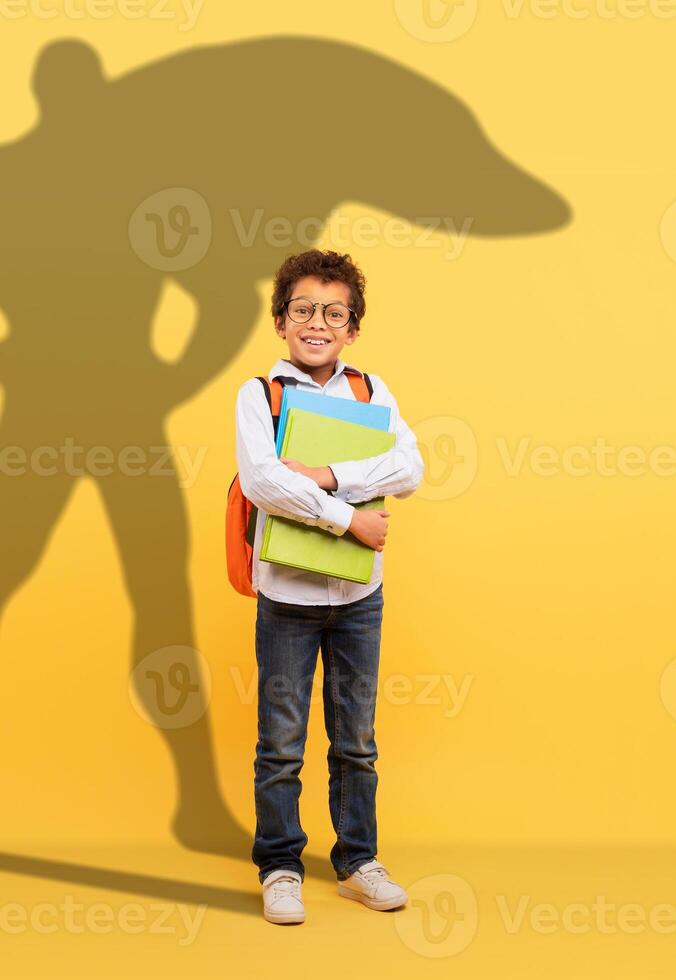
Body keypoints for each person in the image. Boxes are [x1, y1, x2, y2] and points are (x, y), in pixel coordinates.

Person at [233, 249, 425, 925]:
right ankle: (279, 864)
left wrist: (320, 476)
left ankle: (357, 861)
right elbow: (262, 482)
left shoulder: (372, 393)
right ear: (281, 320)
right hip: (287, 597)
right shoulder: (261, 395)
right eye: (304, 310)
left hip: (357, 600)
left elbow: (408, 467)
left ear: (352, 328)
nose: (318, 322)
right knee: (280, 741)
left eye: (333, 313)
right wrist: (351, 519)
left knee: (355, 739)